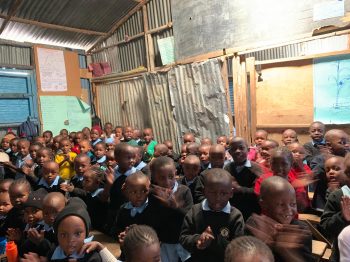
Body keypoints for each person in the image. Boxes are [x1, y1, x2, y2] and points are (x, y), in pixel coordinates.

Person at [180, 168, 244, 262]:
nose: (217, 198)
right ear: (204, 191)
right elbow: (183, 238)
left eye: (223, 193)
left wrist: (213, 241)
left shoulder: (235, 216)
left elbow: (238, 249)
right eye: (212, 192)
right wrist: (198, 239)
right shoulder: (195, 211)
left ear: (231, 193)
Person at [246, 176, 313, 261]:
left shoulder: (301, 230)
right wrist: (265, 243)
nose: (288, 210)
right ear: (263, 205)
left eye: (293, 204)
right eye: (281, 205)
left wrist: (286, 251)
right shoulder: (255, 226)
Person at [150, 156, 193, 262]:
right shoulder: (153, 195)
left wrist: (176, 207)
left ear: (176, 173)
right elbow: (153, 220)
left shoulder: (184, 191)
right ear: (154, 177)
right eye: (161, 178)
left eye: (170, 176)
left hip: (184, 242)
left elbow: (191, 216)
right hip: (165, 243)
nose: (167, 182)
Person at [223, 137, 262, 220]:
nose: (237, 151)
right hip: (232, 210)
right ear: (229, 152)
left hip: (251, 211)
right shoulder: (227, 168)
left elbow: (258, 192)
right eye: (234, 149)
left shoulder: (256, 168)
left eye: (241, 148)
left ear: (248, 150)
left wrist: (240, 189)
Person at [320, 154, 350, 261]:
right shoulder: (337, 196)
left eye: (336, 169)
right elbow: (325, 225)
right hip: (343, 251)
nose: (331, 172)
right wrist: (342, 217)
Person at [311, 129, 349, 209]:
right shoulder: (319, 159)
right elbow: (314, 175)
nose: (346, 145)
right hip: (323, 203)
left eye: (347, 142)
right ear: (329, 145)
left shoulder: (348, 159)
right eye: (341, 142)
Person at [108, 143, 137, 233]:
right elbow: (104, 197)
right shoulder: (111, 174)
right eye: (128, 158)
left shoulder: (137, 175)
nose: (132, 160)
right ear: (117, 159)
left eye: (133, 157)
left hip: (130, 213)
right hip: (114, 211)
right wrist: (109, 184)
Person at [20, 188, 47, 256]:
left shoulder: (45, 229)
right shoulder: (27, 225)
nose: (30, 215)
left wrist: (40, 242)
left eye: (34, 211)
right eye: (26, 212)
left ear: (45, 211)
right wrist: (19, 239)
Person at [4, 179, 31, 243]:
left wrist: (20, 238)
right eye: (12, 197)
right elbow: (6, 229)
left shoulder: (34, 213)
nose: (16, 200)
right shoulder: (12, 213)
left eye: (20, 196)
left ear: (30, 194)